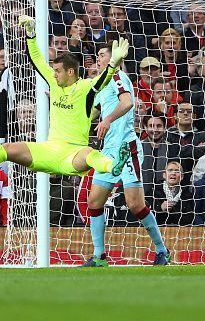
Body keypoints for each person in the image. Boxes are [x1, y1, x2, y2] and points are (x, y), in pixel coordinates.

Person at [0, 16, 132, 180]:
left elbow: (103, 79)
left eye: (58, 71)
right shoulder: (54, 83)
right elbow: (37, 60)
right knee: (7, 148)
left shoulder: (85, 88)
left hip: (73, 154)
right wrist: (30, 36)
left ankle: (112, 166)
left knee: (90, 155)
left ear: (71, 72)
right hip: (48, 151)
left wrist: (113, 63)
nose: (54, 74)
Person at [83, 45, 169, 267]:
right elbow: (91, 113)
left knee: (135, 205)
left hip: (126, 148)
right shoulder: (101, 84)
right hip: (108, 151)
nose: (98, 59)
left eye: (102, 55)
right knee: (94, 202)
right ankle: (99, 256)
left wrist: (108, 119)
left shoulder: (119, 76)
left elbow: (127, 102)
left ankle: (162, 249)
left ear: (115, 58)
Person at [151, 161, 194, 226]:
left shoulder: (187, 195)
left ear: (182, 177)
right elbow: (147, 218)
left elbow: (190, 218)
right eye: (170, 170)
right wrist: (160, 209)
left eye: (177, 171)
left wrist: (173, 211)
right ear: (164, 175)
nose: (173, 173)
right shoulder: (153, 192)